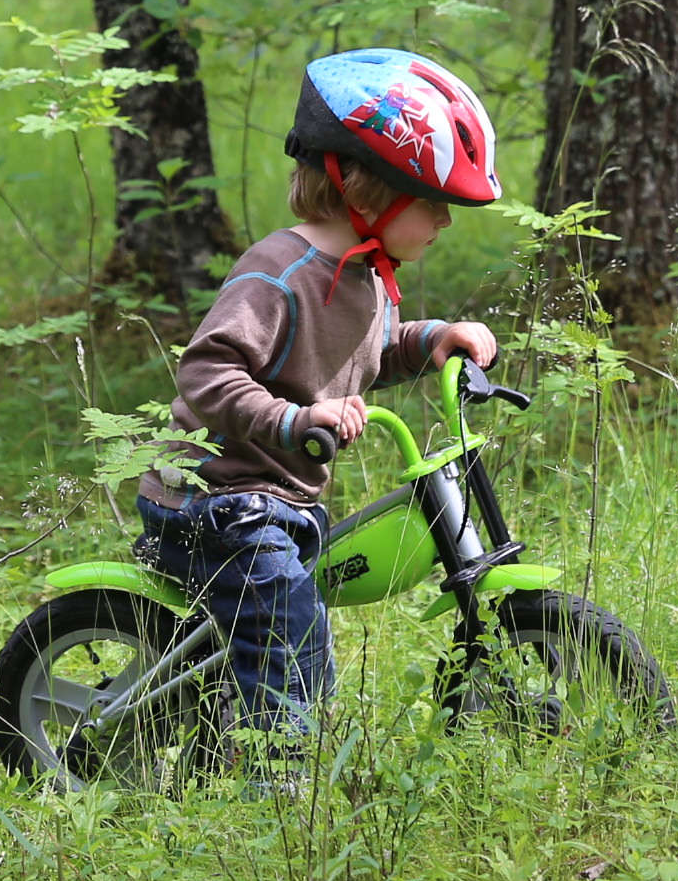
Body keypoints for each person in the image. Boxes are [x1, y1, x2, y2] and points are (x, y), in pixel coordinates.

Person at [145, 50, 505, 749]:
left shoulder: (366, 273)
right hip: (214, 501)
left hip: (274, 498)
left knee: (281, 611)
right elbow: (207, 370)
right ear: (369, 196)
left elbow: (361, 355)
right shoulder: (280, 271)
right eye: (431, 205)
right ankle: (276, 783)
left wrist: (432, 340)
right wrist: (293, 420)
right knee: (291, 634)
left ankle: (238, 723)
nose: (444, 222)